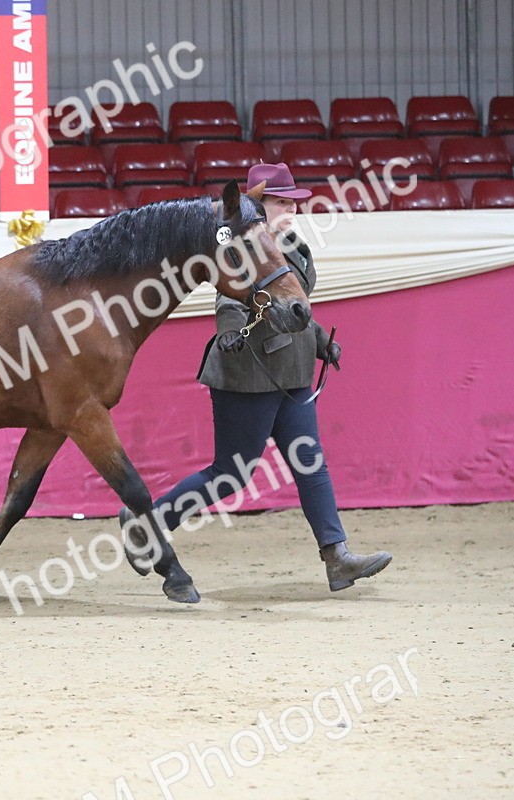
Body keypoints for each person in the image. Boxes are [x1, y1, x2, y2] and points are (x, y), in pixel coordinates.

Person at [123, 163, 392, 592]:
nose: (291, 210)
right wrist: (228, 331)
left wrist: (321, 342)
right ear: (257, 205)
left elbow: (296, 304)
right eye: (282, 202)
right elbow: (228, 298)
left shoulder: (296, 247)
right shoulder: (245, 245)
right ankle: (149, 523)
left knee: (310, 463)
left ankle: (336, 557)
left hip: (293, 377)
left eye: (294, 203)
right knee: (230, 474)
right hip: (249, 376)